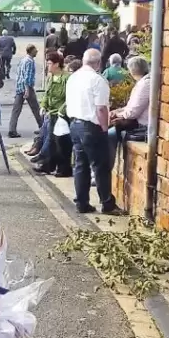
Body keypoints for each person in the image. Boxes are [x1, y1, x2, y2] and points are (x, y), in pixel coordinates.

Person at [65, 49, 120, 214]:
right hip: (91, 126)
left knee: (81, 165)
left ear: (83, 60)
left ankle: (82, 203)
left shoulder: (73, 77)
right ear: (98, 63)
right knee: (100, 166)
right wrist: (104, 128)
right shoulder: (97, 80)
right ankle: (107, 203)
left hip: (75, 124)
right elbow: (101, 108)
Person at [33, 52, 72, 177]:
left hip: (61, 115)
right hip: (51, 113)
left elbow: (69, 98)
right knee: (51, 140)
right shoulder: (50, 77)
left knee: (57, 142)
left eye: (49, 63)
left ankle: (53, 166)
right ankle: (47, 165)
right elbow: (47, 94)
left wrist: (61, 110)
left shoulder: (66, 78)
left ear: (57, 64)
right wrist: (43, 106)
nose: (47, 66)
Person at [108, 56, 151, 170]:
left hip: (141, 125)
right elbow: (131, 107)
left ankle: (106, 168)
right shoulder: (142, 83)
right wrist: (118, 111)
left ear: (131, 71)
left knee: (109, 133)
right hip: (136, 120)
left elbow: (133, 112)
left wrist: (118, 114)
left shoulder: (145, 84)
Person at [8, 44, 42, 138]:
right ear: (31, 51)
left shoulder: (23, 60)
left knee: (16, 110)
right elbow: (27, 76)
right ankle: (42, 126)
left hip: (20, 87)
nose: (37, 51)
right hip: (27, 88)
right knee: (36, 108)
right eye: (35, 50)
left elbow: (19, 74)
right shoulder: (30, 61)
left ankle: (12, 129)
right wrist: (27, 89)